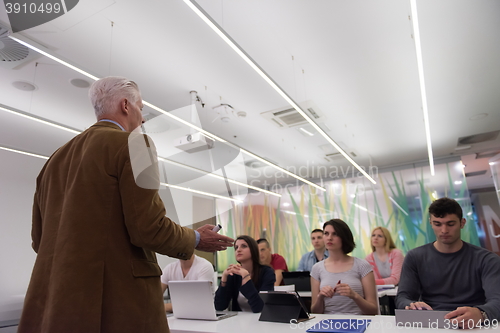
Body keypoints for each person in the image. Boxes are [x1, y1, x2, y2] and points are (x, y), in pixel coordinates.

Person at [17, 76, 234, 333]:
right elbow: (148, 227)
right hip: (115, 300)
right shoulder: (135, 144)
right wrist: (196, 239)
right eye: (141, 107)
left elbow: (38, 240)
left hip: (55, 301)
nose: (142, 118)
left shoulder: (54, 160)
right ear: (125, 106)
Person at [396, 197, 500, 328]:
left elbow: (497, 300)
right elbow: (402, 297)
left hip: (473, 324)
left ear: (462, 223)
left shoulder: (487, 259)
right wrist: (410, 305)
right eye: (437, 224)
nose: (444, 230)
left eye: (450, 224)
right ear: (431, 223)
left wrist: (482, 313)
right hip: (431, 322)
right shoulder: (415, 257)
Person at [310, 219, 378, 315]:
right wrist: (320, 297)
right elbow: (315, 312)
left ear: (344, 237)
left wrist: (354, 296)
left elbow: (373, 310)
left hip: (358, 323)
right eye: (326, 233)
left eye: (335, 234)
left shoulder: (362, 265)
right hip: (327, 324)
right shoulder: (316, 268)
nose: (329, 238)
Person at [215, 235, 275, 312]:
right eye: (236, 247)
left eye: (244, 246)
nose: (238, 250)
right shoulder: (234, 274)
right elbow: (219, 306)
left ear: (253, 250)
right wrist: (224, 279)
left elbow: (261, 308)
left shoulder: (267, 272)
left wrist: (246, 277)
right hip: (238, 321)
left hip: (261, 321)